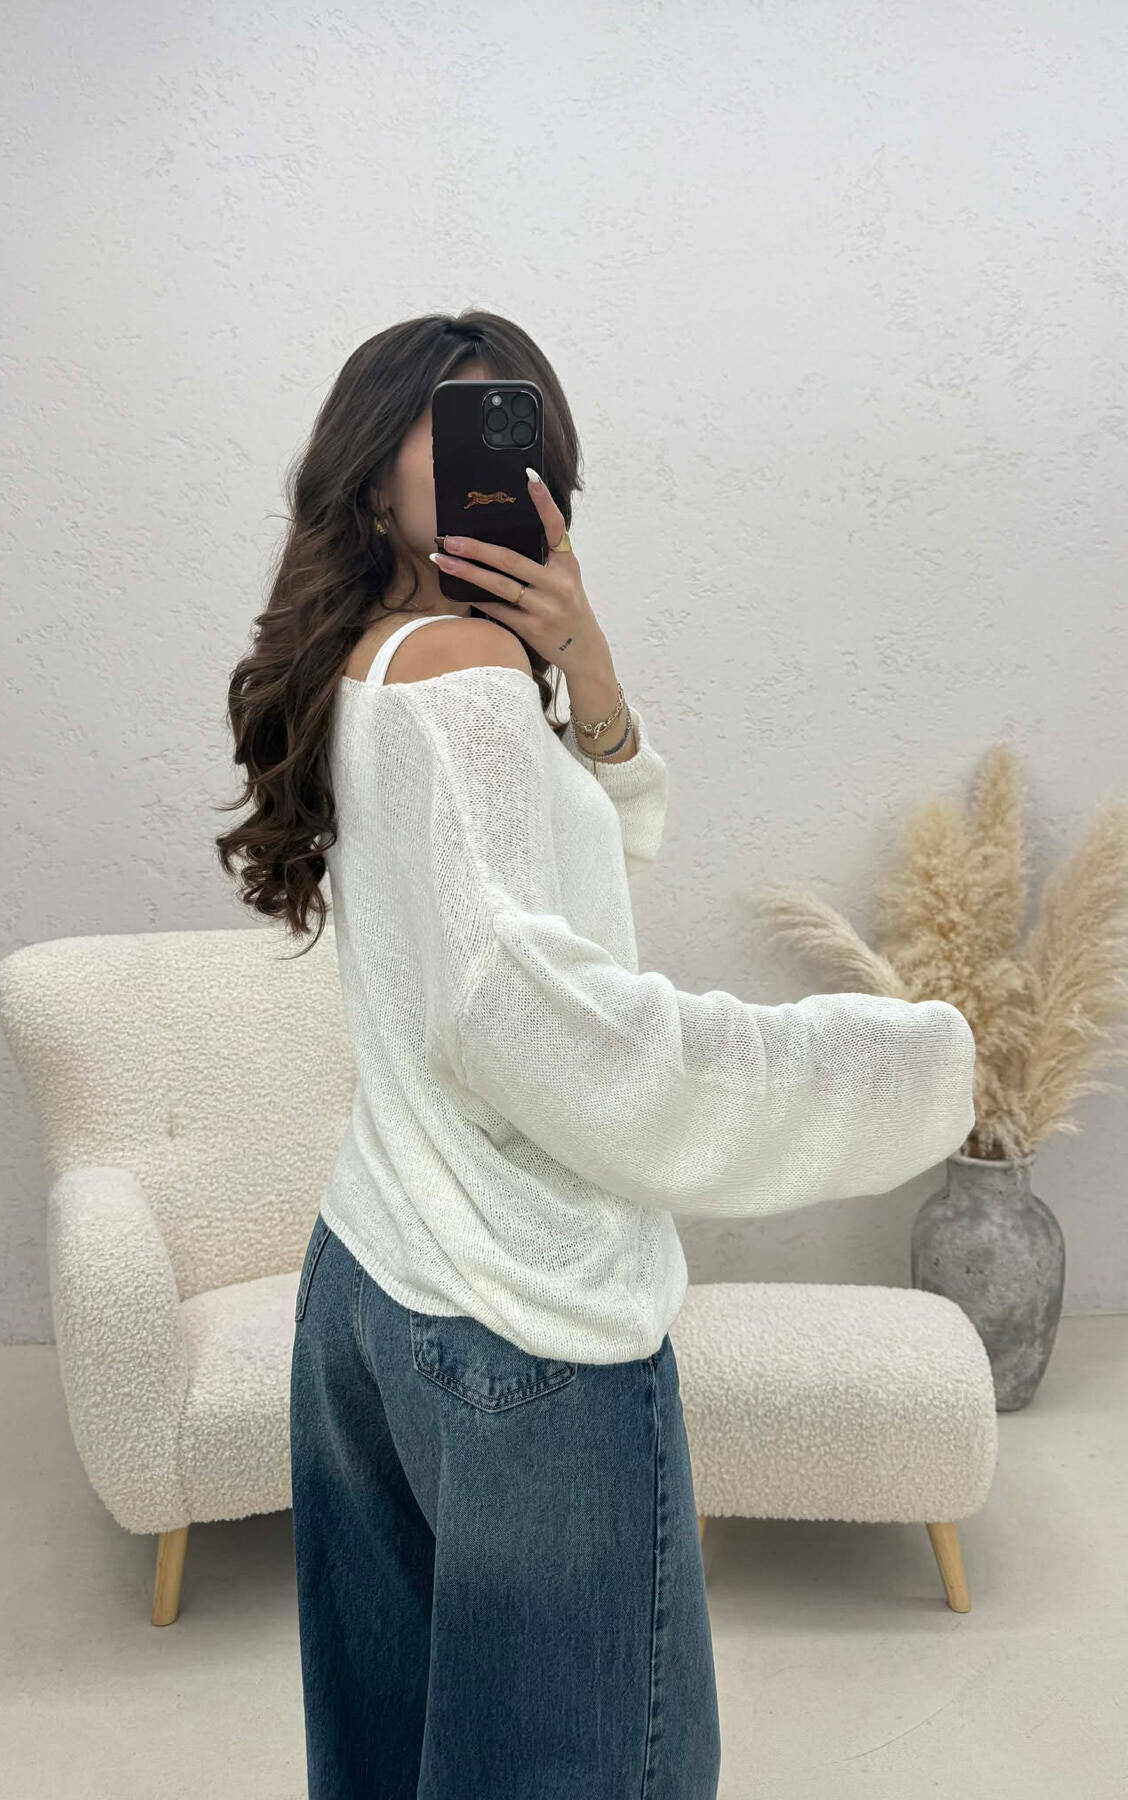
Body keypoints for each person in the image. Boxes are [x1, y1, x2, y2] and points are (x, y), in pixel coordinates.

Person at [216, 311, 976, 1800]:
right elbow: (543, 1024)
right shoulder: (465, 684)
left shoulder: (381, 663)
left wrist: (592, 676)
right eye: (449, 423)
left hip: (370, 1281)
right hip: (521, 1326)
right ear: (371, 470)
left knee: (390, 1763)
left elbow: (571, 880)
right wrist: (902, 1068)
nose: (497, 457)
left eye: (519, 428)